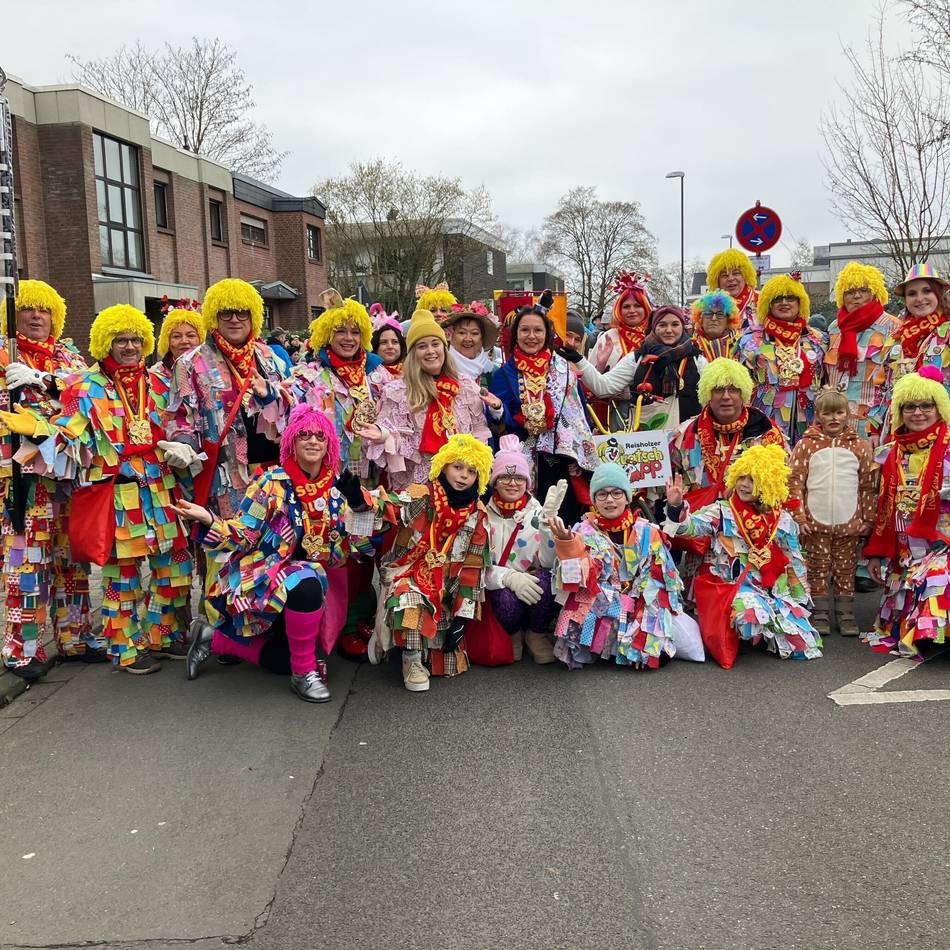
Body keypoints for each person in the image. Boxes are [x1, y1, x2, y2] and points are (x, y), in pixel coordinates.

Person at [6, 305, 194, 673]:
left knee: (174, 567)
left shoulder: (158, 382)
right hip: (117, 494)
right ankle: (125, 649)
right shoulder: (88, 386)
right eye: (120, 340)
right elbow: (68, 433)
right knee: (121, 577)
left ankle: (162, 635)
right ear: (105, 343)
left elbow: (179, 422)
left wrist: (183, 446)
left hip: (159, 489)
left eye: (135, 339)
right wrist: (37, 430)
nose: (128, 347)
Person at [175, 405, 380, 701]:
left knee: (281, 660)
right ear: (292, 442)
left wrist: (360, 508)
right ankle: (303, 675)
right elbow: (244, 533)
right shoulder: (271, 483)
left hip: (311, 592)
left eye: (320, 436)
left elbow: (352, 550)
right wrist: (209, 520)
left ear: (329, 444)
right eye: (304, 435)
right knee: (307, 578)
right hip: (264, 579)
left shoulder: (337, 487)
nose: (312, 441)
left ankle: (211, 637)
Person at [0, 280, 98, 679]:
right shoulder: (4, 354)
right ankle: (21, 648)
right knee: (27, 563)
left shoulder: (69, 357)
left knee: (71, 560)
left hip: (67, 478)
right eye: (28, 309)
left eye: (44, 310)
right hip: (21, 480)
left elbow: (88, 399)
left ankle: (75, 637)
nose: (36, 316)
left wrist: (43, 383)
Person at [663, 444, 822, 661]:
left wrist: (799, 595)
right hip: (734, 585)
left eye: (752, 480)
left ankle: (767, 631)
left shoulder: (781, 519)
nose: (744, 485)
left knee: (803, 645)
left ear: (768, 484)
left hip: (773, 588)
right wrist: (677, 507)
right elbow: (690, 527)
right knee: (749, 616)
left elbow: (794, 558)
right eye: (741, 478)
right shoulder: (723, 511)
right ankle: (742, 632)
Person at [375, 433, 493, 692]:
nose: (463, 475)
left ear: (479, 478)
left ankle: (421, 648)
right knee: (409, 599)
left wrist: (462, 620)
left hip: (448, 584)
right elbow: (391, 508)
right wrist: (362, 500)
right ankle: (412, 660)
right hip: (410, 571)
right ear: (443, 466)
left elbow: (473, 569)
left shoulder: (478, 515)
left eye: (471, 471)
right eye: (457, 467)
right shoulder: (422, 495)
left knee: (448, 661)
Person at [164, 278, 287, 522]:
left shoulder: (270, 357)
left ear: (252, 316)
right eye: (225, 312)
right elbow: (180, 416)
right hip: (224, 477)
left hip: (274, 470)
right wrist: (185, 443)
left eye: (241, 313)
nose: (234, 319)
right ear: (214, 317)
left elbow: (291, 404)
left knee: (274, 544)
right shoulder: (189, 363)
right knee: (226, 547)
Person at [546, 462, 685, 670]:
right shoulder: (583, 531)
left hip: (639, 604)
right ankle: (603, 643)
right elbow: (577, 580)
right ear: (594, 500)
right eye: (602, 494)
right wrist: (570, 546)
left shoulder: (648, 531)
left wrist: (637, 605)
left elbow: (661, 581)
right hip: (600, 604)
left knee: (655, 655)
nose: (609, 500)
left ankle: (622, 643)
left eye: (616, 493)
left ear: (628, 497)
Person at [864, 367, 950, 660]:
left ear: (939, 408)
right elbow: (882, 506)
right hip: (904, 549)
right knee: (902, 597)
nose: (918, 413)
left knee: (937, 576)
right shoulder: (890, 452)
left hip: (942, 543)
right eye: (910, 406)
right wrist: (876, 552)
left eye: (926, 405)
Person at [489, 294, 598, 526]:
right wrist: (498, 411)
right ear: (515, 334)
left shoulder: (564, 370)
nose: (531, 336)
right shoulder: (503, 374)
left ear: (547, 334)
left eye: (538, 330)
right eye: (525, 330)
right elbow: (500, 421)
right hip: (522, 456)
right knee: (527, 521)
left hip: (561, 458)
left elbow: (579, 412)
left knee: (562, 517)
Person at [358, 310, 495, 492]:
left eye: (435, 344)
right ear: (413, 353)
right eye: (422, 346)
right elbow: (391, 435)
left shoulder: (465, 386)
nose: (430, 351)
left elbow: (479, 433)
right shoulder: (397, 392)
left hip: (460, 487)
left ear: (444, 348)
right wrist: (384, 435)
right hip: (418, 486)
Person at [787, 387, 876, 637]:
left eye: (839, 413)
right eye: (828, 414)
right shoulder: (806, 446)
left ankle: (846, 614)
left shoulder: (860, 446)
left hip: (849, 522)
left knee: (846, 567)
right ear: (818, 416)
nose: (834, 418)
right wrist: (799, 517)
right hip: (815, 523)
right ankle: (820, 612)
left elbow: (868, 486)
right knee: (816, 567)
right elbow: (794, 482)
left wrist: (867, 519)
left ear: (847, 415)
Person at [286, 290, 383, 482]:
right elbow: (287, 410)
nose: (349, 338)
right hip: (324, 475)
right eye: (340, 331)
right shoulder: (310, 375)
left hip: (369, 473)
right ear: (327, 335)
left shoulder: (376, 374)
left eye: (355, 332)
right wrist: (271, 395)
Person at [482, 435, 559, 663]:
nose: (512, 483)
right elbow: (478, 567)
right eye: (505, 476)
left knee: (547, 580)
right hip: (504, 589)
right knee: (502, 596)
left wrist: (548, 530)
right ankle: (513, 635)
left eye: (518, 477)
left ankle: (536, 635)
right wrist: (509, 577)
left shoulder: (540, 512)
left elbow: (548, 563)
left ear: (528, 482)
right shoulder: (482, 516)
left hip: (534, 586)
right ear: (494, 481)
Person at [571, 305, 705, 432]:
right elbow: (604, 387)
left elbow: (711, 400)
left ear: (682, 327)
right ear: (653, 327)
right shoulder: (637, 358)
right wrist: (578, 359)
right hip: (650, 448)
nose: (669, 330)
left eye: (675, 324)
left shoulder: (697, 359)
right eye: (662, 325)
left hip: (689, 441)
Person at [739, 274, 826, 446]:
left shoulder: (819, 339)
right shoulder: (750, 340)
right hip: (764, 423)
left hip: (812, 423)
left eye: (790, 298)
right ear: (768, 304)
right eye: (777, 298)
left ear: (800, 302)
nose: (784, 302)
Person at [823, 263, 900, 443]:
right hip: (835, 425)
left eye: (863, 290)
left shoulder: (893, 326)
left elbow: (895, 379)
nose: (857, 296)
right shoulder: (834, 327)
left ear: (875, 292)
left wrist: (878, 424)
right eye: (850, 291)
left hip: (871, 425)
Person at [587, 271, 653, 427]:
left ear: (645, 308)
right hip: (613, 408)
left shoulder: (653, 337)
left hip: (649, 407)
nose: (632, 310)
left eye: (637, 306)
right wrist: (601, 364)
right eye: (626, 306)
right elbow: (590, 379)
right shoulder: (608, 337)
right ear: (619, 310)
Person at [884, 263, 950, 391]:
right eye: (912, 294)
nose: (919, 298)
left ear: (939, 294)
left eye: (927, 291)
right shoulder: (896, 337)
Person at [149, 301, 205, 415]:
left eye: (191, 335)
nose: (184, 341)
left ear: (201, 340)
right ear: (167, 342)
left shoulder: (213, 371)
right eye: (176, 336)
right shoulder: (153, 377)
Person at [444, 304, 499, 388]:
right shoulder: (442, 368)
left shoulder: (493, 372)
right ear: (451, 336)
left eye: (474, 333)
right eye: (462, 333)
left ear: (482, 338)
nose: (468, 339)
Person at [705, 248, 759, 330]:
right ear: (717, 280)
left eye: (736, 273)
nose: (730, 278)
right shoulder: (708, 306)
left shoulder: (761, 301)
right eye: (724, 275)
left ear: (746, 276)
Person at [691, 289, 742, 362]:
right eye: (708, 314)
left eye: (720, 314)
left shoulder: (741, 346)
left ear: (728, 321)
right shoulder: (690, 347)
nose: (714, 318)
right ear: (701, 319)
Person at [369, 317, 407, 385]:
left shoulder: (411, 371)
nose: (390, 346)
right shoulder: (366, 371)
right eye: (384, 342)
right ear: (375, 345)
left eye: (395, 342)